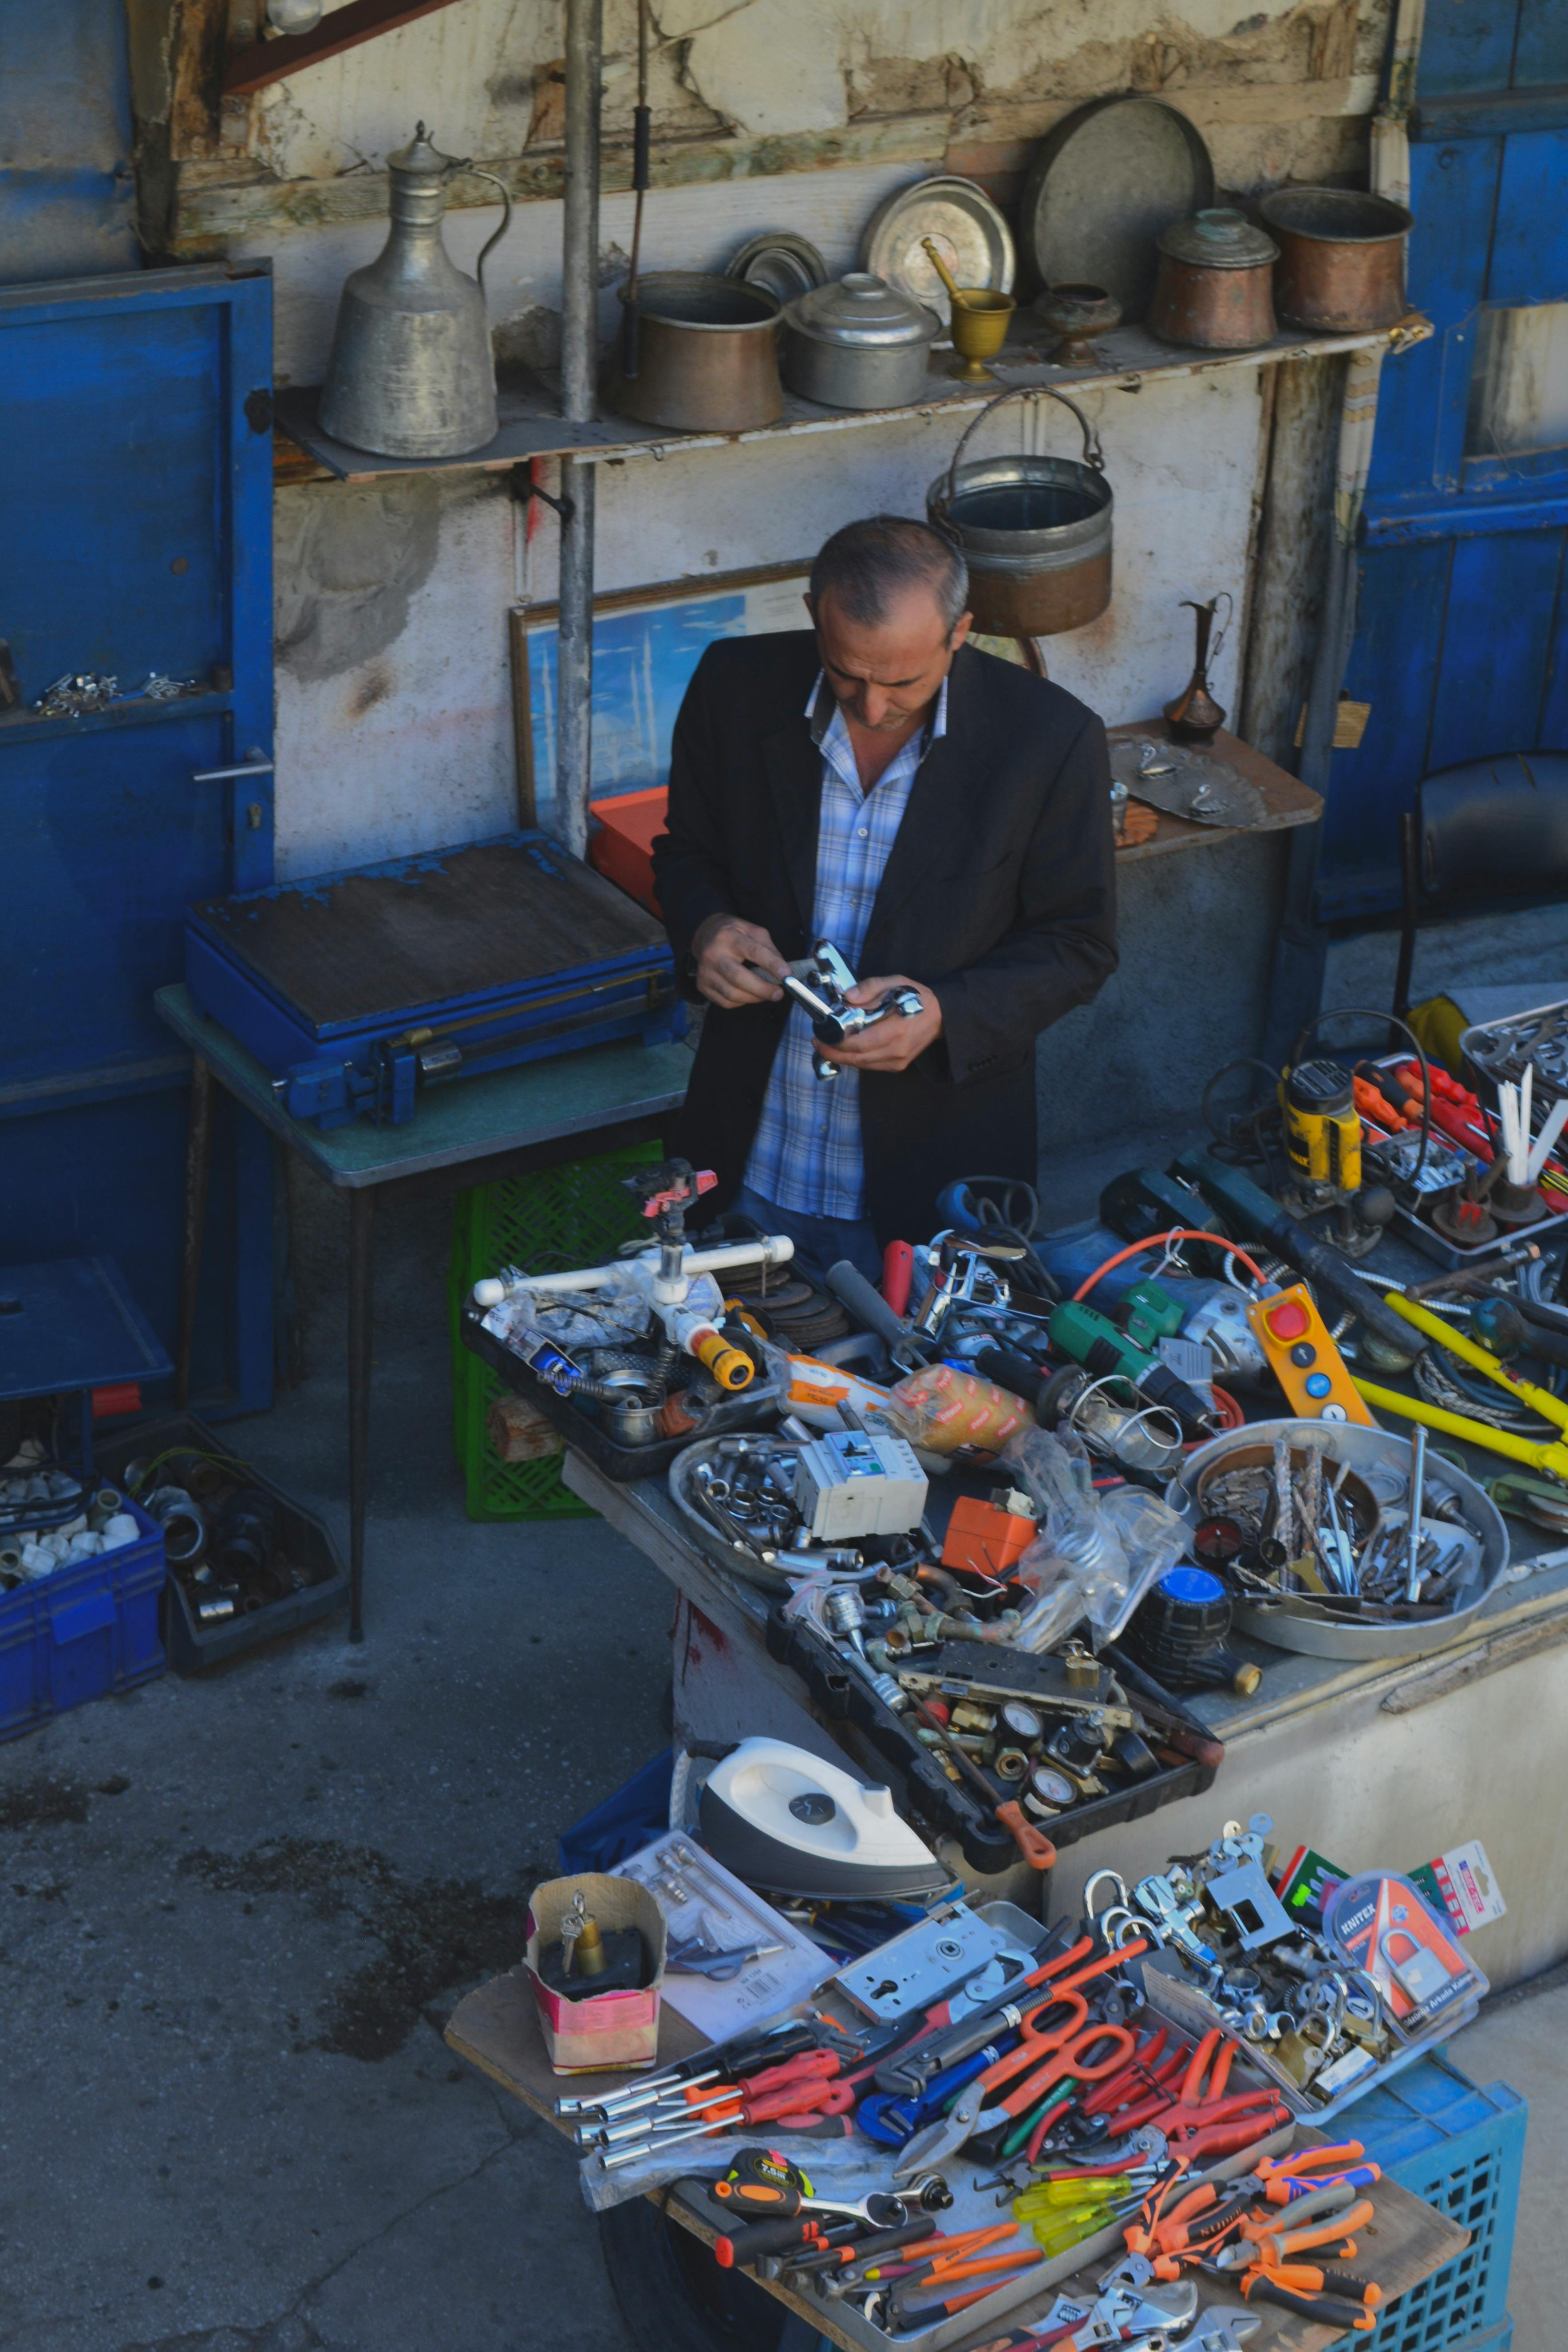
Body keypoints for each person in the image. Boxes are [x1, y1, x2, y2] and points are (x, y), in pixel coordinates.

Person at [651, 514, 1118, 1283]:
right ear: (813, 616)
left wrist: (945, 1014)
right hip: (750, 1157)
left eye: (903, 681)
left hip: (933, 1178)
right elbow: (685, 852)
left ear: (960, 632)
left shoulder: (1047, 738)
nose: (872, 708)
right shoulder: (733, 688)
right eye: (846, 674)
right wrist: (705, 928)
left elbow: (1079, 944)